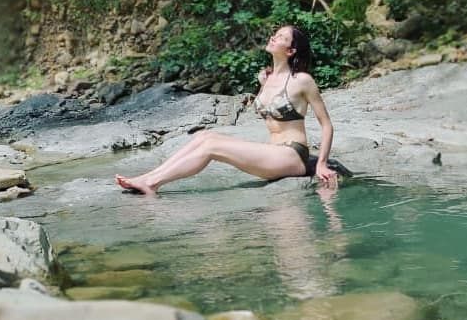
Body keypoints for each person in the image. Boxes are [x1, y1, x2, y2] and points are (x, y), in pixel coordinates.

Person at [114, 24, 340, 195]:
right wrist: (263, 84)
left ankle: (152, 183)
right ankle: (148, 177)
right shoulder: (265, 78)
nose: (274, 37)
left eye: (281, 37)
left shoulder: (302, 80)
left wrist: (321, 163)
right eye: (276, 33)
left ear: (290, 51)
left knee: (212, 146)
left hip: (292, 155)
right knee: (205, 136)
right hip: (273, 152)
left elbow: (327, 125)